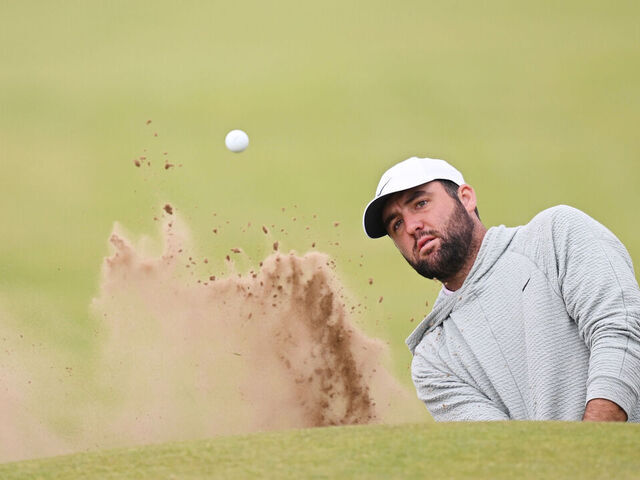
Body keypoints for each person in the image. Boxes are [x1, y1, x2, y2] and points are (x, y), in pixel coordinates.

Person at [362, 156, 640, 422]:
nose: (411, 226)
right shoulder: (433, 359)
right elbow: (503, 448)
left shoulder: (555, 235)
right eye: (396, 224)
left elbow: (621, 331)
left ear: (466, 198)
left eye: (421, 203)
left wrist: (591, 445)